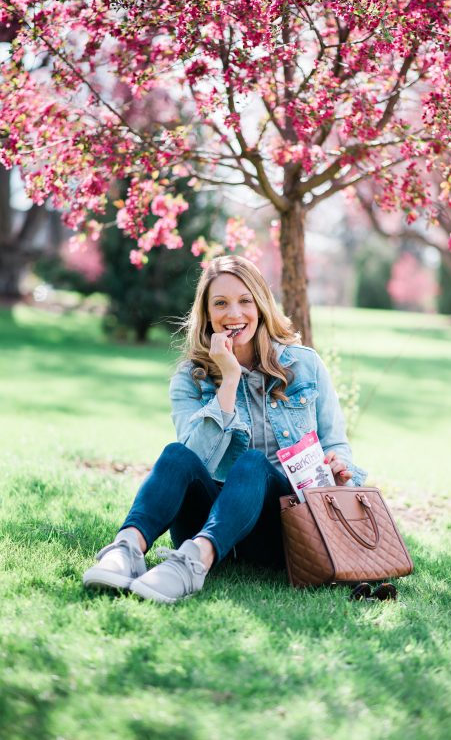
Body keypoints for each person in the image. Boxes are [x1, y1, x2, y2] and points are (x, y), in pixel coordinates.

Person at [83, 255, 367, 603]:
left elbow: (336, 442)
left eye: (245, 301)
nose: (234, 314)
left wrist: (341, 473)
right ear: (208, 314)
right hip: (208, 519)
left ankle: (192, 565)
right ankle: (126, 549)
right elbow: (195, 457)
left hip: (284, 529)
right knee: (176, 454)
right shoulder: (190, 377)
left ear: (261, 305)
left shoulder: (305, 364)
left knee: (252, 464)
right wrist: (228, 379)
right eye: (221, 303)